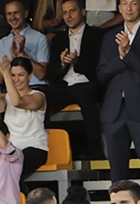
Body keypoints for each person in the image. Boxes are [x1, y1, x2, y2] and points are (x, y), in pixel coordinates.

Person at [98, 0, 140, 203]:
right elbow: (101, 74)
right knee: (117, 174)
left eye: (133, 3)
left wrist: (129, 54)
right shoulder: (109, 37)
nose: (128, 8)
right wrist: (121, 57)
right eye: (124, 3)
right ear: (119, 8)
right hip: (114, 111)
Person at [45, 0, 103, 160]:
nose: (68, 16)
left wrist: (78, 62)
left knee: (82, 91)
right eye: (65, 12)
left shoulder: (97, 35)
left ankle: (95, 144)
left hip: (89, 84)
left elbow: (101, 69)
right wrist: (62, 64)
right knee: (40, 93)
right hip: (65, 86)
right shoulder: (58, 39)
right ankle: (44, 144)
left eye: (72, 11)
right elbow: (50, 74)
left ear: (83, 11)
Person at [0, 54, 48, 185]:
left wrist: (6, 75)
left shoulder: (38, 96)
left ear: (30, 76)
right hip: (11, 149)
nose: (16, 79)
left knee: (11, 171)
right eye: (13, 75)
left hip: (35, 147)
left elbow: (17, 102)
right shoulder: (6, 97)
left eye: (21, 75)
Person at [0, 0, 49, 88]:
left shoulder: (40, 38)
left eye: (16, 13)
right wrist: (12, 58)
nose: (12, 17)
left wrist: (22, 54)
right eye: (9, 14)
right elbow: (0, 79)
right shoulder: (2, 43)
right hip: (12, 89)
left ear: (25, 13)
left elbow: (41, 74)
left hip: (36, 87)